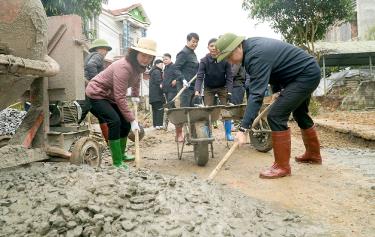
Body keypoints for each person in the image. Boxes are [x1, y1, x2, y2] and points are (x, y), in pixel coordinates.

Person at [215, 33, 322, 179]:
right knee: (300, 113)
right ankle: (313, 154)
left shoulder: (255, 55)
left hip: (304, 75)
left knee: (276, 116)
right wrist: (278, 91)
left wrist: (243, 129)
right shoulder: (251, 49)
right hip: (303, 73)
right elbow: (275, 71)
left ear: (238, 47)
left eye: (228, 57)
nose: (229, 61)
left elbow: (256, 95)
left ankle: (282, 166)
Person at [86, 37, 157, 168]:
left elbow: (137, 80)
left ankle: (122, 154)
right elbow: (120, 97)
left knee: (124, 123)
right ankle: (117, 162)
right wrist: (133, 120)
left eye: (149, 57)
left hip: (109, 96)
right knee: (114, 121)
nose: (146, 59)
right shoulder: (124, 67)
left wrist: (136, 95)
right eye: (143, 55)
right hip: (96, 94)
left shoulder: (138, 67)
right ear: (136, 53)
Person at [194, 38, 234, 141]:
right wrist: (197, 90)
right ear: (208, 47)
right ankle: (207, 133)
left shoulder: (225, 60)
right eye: (211, 46)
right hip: (209, 88)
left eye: (216, 46)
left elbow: (229, 77)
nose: (214, 48)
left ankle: (228, 133)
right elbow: (200, 76)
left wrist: (229, 91)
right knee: (207, 109)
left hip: (222, 87)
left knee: (226, 109)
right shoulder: (203, 61)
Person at [78, 39, 112, 124]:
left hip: (85, 85)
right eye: (105, 49)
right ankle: (72, 126)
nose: (106, 52)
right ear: (98, 49)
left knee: (99, 113)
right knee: (85, 107)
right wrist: (96, 81)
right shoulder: (98, 56)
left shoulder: (90, 56)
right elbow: (91, 65)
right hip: (88, 86)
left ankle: (108, 135)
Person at [162, 53, 184, 142]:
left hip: (173, 90)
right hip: (167, 90)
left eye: (166, 59)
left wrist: (176, 80)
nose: (164, 61)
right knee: (170, 107)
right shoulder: (165, 68)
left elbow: (179, 75)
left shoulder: (174, 66)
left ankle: (178, 125)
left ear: (170, 59)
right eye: (163, 59)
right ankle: (173, 123)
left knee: (171, 106)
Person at [175, 32, 200, 107]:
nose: (195, 44)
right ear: (188, 41)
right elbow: (176, 68)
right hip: (185, 86)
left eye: (196, 42)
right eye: (193, 41)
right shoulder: (183, 53)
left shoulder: (193, 53)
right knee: (186, 109)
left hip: (193, 85)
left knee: (193, 109)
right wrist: (183, 79)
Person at [149, 59, 164, 129]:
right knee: (160, 109)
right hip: (157, 95)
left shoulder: (152, 72)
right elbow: (159, 82)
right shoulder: (157, 71)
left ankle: (155, 125)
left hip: (152, 96)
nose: (162, 66)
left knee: (155, 110)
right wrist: (163, 87)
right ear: (157, 64)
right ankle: (159, 125)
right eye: (161, 64)